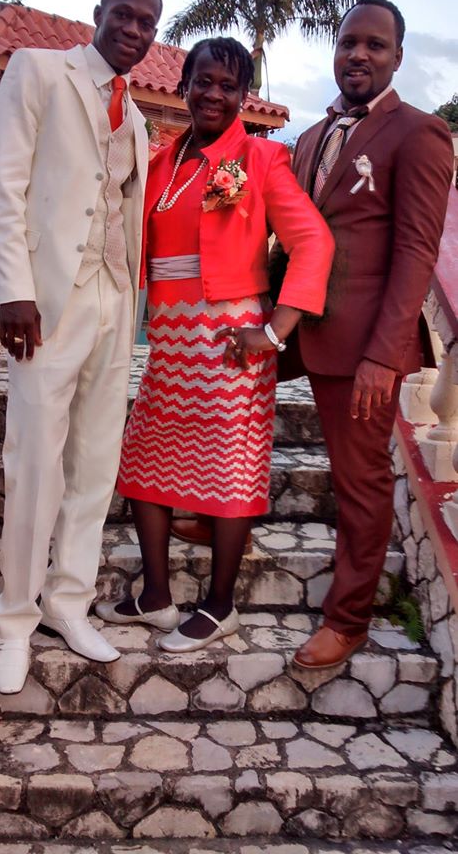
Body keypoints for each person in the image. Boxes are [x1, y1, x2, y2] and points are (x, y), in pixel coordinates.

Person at [96, 37, 335, 652]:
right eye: (203, 80)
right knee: (143, 462)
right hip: (169, 338)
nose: (214, 94)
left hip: (232, 339)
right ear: (184, 86)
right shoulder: (161, 161)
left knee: (231, 470)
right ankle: (156, 596)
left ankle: (221, 605)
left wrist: (275, 331)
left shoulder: (260, 158)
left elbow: (313, 243)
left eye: (229, 85)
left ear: (243, 95)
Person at [0, 0, 163, 693]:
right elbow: (5, 184)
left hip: (115, 301)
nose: (135, 30)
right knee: (34, 463)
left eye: (147, 22)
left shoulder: (136, 116)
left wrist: (133, 299)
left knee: (94, 461)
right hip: (48, 303)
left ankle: (68, 602)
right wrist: (15, 290)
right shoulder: (39, 70)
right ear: (98, 15)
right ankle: (14, 620)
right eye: (124, 15)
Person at [276, 0, 453, 669]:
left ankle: (347, 617)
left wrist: (384, 353)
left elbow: (416, 250)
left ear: (397, 58)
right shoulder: (311, 137)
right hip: (296, 322)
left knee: (360, 480)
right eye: (349, 42)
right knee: (224, 397)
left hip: (363, 344)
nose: (358, 54)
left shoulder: (418, 132)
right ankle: (215, 512)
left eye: (374, 45)